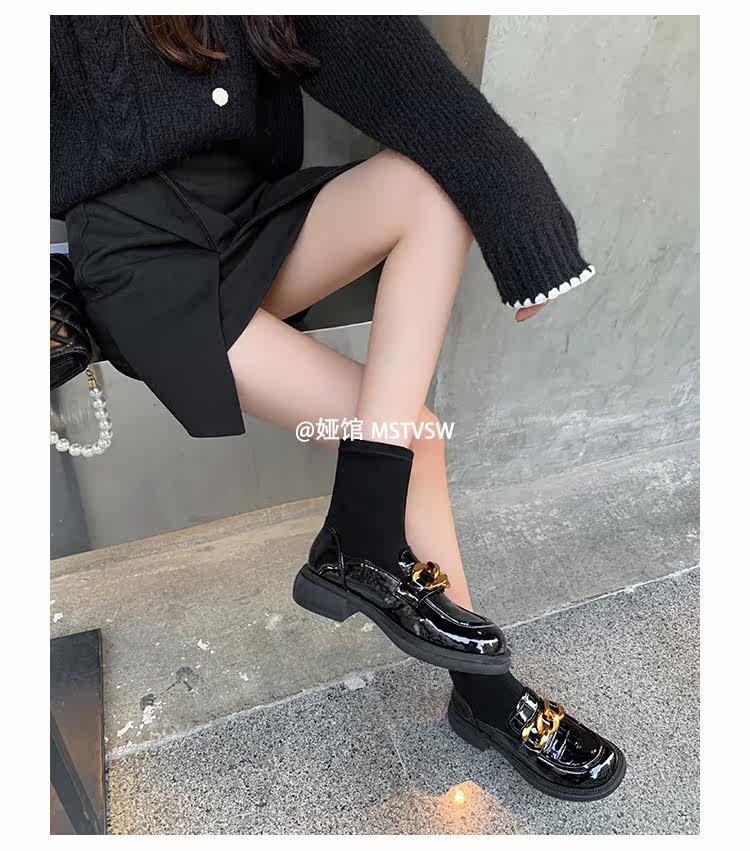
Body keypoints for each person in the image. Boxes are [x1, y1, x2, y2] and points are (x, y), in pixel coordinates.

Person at [51, 15, 625, 801]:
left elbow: (369, 43)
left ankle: (363, 536)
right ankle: (484, 693)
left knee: (433, 185)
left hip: (247, 214)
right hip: (138, 259)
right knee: (417, 438)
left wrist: (513, 195)